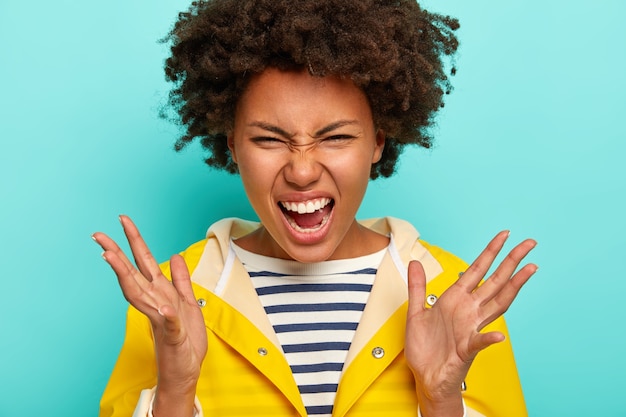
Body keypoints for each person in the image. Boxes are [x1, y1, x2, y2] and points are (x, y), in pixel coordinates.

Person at [93, 1, 538, 416]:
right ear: (231, 143)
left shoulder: (458, 297)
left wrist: (441, 401)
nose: (302, 171)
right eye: (268, 139)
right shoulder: (169, 297)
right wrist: (175, 391)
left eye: (336, 137)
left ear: (378, 140)